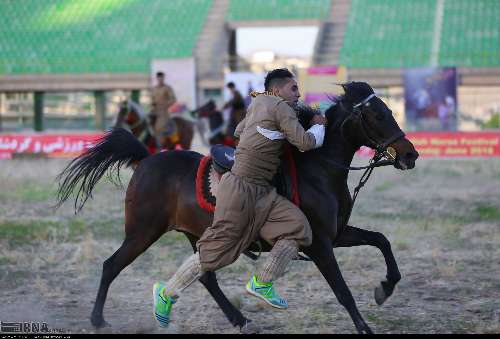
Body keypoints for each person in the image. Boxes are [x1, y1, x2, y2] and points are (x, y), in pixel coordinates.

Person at [153, 68, 327, 330]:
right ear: (278, 90)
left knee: (298, 227)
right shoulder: (279, 106)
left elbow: (237, 131)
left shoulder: (259, 103)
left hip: (263, 192)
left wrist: (267, 132)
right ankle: (166, 293)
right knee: (215, 252)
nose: (299, 93)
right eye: (294, 88)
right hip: (241, 189)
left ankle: (262, 282)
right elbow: (304, 142)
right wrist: (318, 125)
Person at [149, 71, 178, 148]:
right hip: (154, 111)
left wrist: (165, 104)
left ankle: (160, 146)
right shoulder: (154, 89)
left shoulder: (167, 88)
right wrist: (152, 103)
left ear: (163, 78)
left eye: (161, 78)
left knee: (159, 127)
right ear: (157, 79)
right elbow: (151, 99)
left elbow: (173, 99)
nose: (160, 80)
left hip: (163, 112)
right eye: (158, 78)